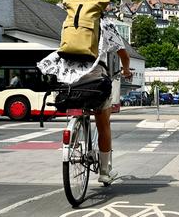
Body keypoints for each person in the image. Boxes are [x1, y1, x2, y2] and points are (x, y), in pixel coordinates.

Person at [37, 16, 131, 185]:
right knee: (103, 124)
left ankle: (74, 133)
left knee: (76, 102)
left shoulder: (70, 21)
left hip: (69, 78)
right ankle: (104, 171)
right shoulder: (105, 24)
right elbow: (123, 54)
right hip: (94, 79)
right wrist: (125, 70)